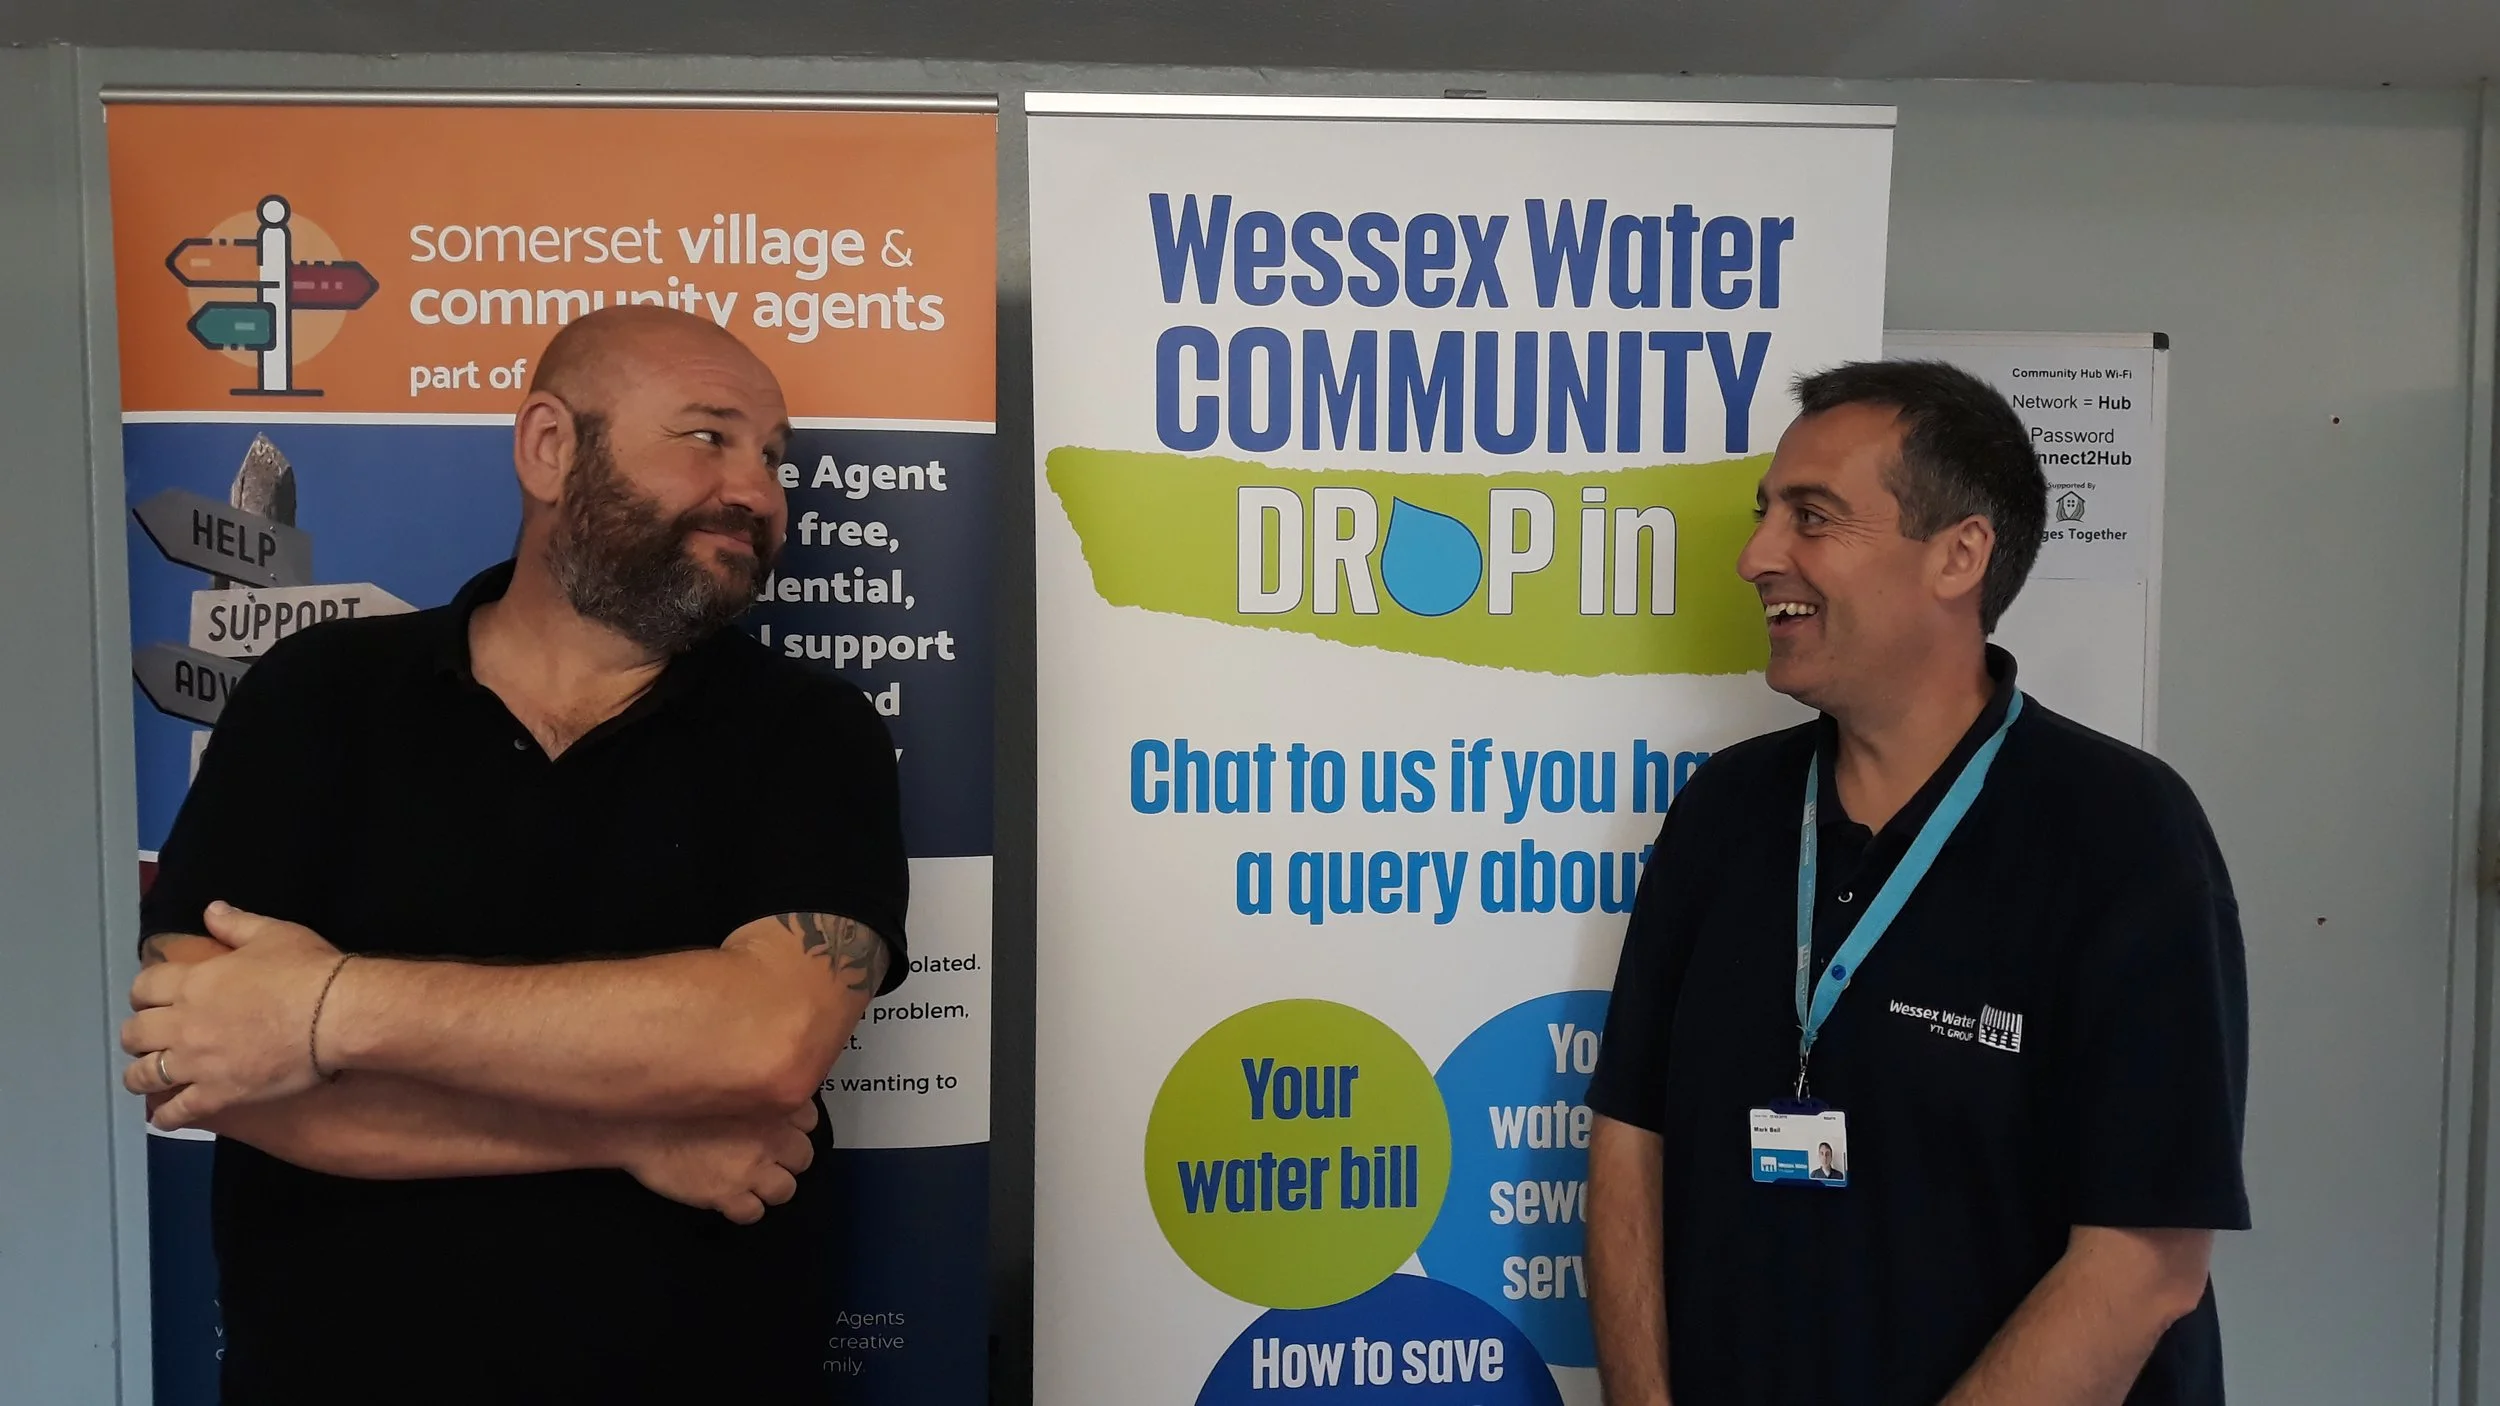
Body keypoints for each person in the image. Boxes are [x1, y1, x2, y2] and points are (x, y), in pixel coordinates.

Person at [118, 305, 908, 1403]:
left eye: (773, 456)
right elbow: (201, 1052)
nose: (759, 490)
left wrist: (326, 1008)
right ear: (549, 446)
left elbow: (767, 1039)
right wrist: (633, 1128)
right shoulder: (317, 694)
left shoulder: (811, 730)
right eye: (708, 436)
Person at [1584, 360, 2248, 1406]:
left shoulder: (2122, 833)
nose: (1757, 555)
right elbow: (1630, 1139)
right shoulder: (1724, 812)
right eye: (1766, 513)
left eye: (1812, 515)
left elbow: (2145, 1260)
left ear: (1958, 554)